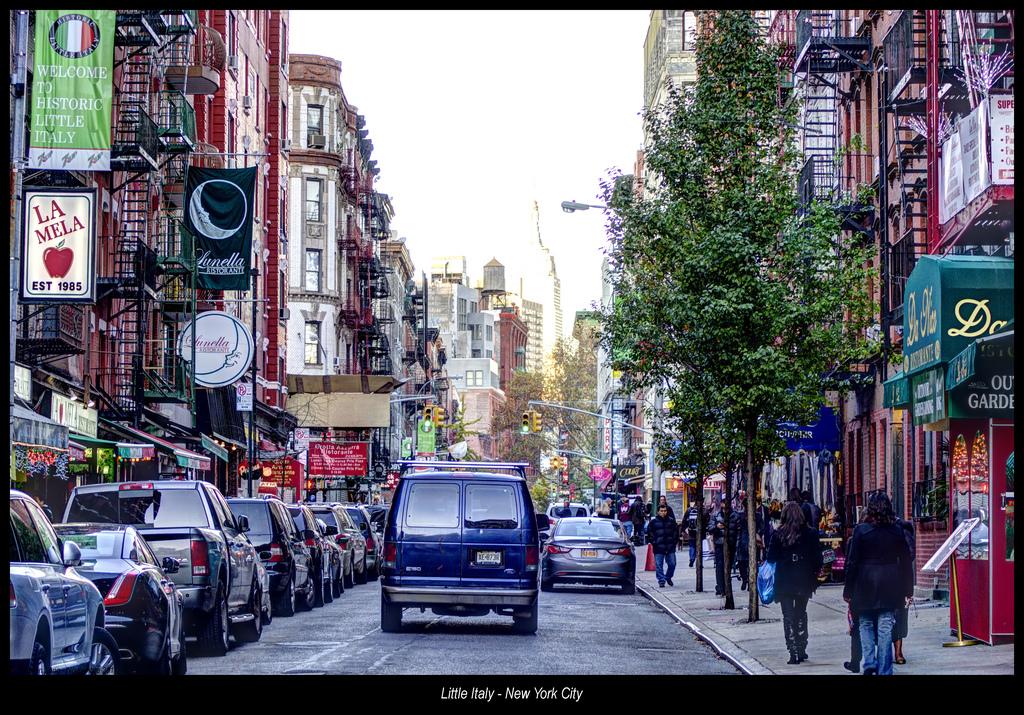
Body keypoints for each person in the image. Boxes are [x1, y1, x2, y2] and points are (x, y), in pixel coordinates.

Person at [843, 492, 914, 676]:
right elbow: (906, 561)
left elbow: (852, 562)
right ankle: (884, 669)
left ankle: (869, 662)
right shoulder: (897, 531)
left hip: (865, 582)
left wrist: (848, 589)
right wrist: (908, 588)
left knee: (865, 624)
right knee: (885, 627)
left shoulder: (861, 531)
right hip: (891, 583)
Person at [766, 501, 823, 664]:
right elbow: (818, 557)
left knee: (788, 615)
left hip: (784, 578)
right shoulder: (811, 533)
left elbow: (771, 558)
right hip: (804, 578)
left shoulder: (778, 534)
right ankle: (801, 646)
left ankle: (793, 651)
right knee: (801, 612)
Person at [892, 514, 916, 666]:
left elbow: (909, 558)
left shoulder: (901, 531)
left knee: (899, 616)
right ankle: (893, 652)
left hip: (899, 580)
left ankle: (898, 651)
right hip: (884, 580)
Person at [648, 503, 679, 588]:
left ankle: (668, 577)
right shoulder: (653, 522)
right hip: (658, 547)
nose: (663, 512)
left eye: (665, 511)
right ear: (658, 512)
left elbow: (676, 532)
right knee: (659, 565)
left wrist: (674, 542)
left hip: (670, 546)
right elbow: (649, 533)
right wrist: (654, 542)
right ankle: (661, 580)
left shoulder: (671, 521)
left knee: (672, 564)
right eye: (661, 511)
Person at [683, 503, 701, 567]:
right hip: (699, 533)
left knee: (692, 546)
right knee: (699, 547)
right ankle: (699, 562)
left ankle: (691, 559)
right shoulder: (702, 510)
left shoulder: (689, 510)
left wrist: (685, 529)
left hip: (691, 532)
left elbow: (684, 521)